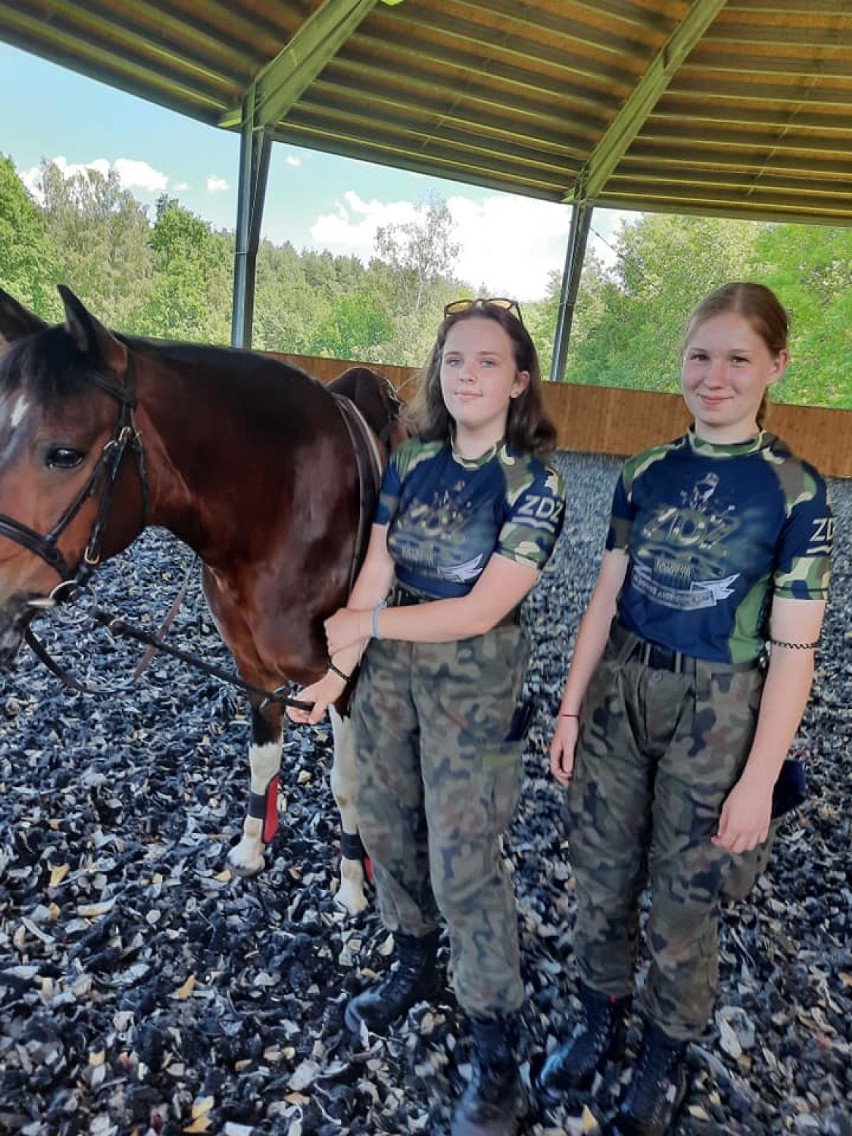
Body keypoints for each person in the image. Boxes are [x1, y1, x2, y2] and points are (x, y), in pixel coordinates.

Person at [535, 283, 833, 1136]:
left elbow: (793, 651)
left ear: (775, 365)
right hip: (621, 689)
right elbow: (603, 600)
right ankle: (604, 1011)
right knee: (600, 870)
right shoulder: (643, 472)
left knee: (686, 892)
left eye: (738, 359)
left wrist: (761, 778)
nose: (715, 376)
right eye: (700, 356)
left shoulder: (797, 494)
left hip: (721, 706)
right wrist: (568, 709)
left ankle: (666, 1048)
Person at [287, 298, 566, 1136]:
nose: (467, 375)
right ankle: (414, 958)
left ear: (519, 381)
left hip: (471, 677)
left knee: (466, 862)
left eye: (486, 362)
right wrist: (334, 678)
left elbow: (480, 609)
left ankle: (495, 1053)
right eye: (453, 361)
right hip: (389, 675)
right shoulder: (412, 465)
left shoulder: (537, 484)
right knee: (383, 824)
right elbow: (378, 569)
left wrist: (362, 629)